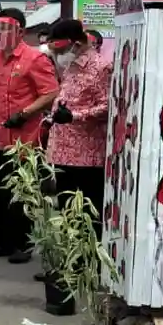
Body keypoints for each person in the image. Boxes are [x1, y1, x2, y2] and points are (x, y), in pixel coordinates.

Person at [0, 8, 60, 263]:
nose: (1, 33)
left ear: (20, 31)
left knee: (23, 192)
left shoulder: (35, 59)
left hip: (25, 139)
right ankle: (1, 241)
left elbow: (51, 93)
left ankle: (22, 244)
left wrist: (25, 113)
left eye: (6, 28)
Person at [45, 19, 111, 233]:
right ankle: (69, 263)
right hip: (62, 151)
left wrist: (75, 116)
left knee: (87, 214)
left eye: (61, 49)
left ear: (75, 44)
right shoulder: (70, 66)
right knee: (66, 210)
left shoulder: (101, 67)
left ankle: (86, 264)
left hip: (87, 156)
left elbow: (108, 107)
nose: (58, 55)